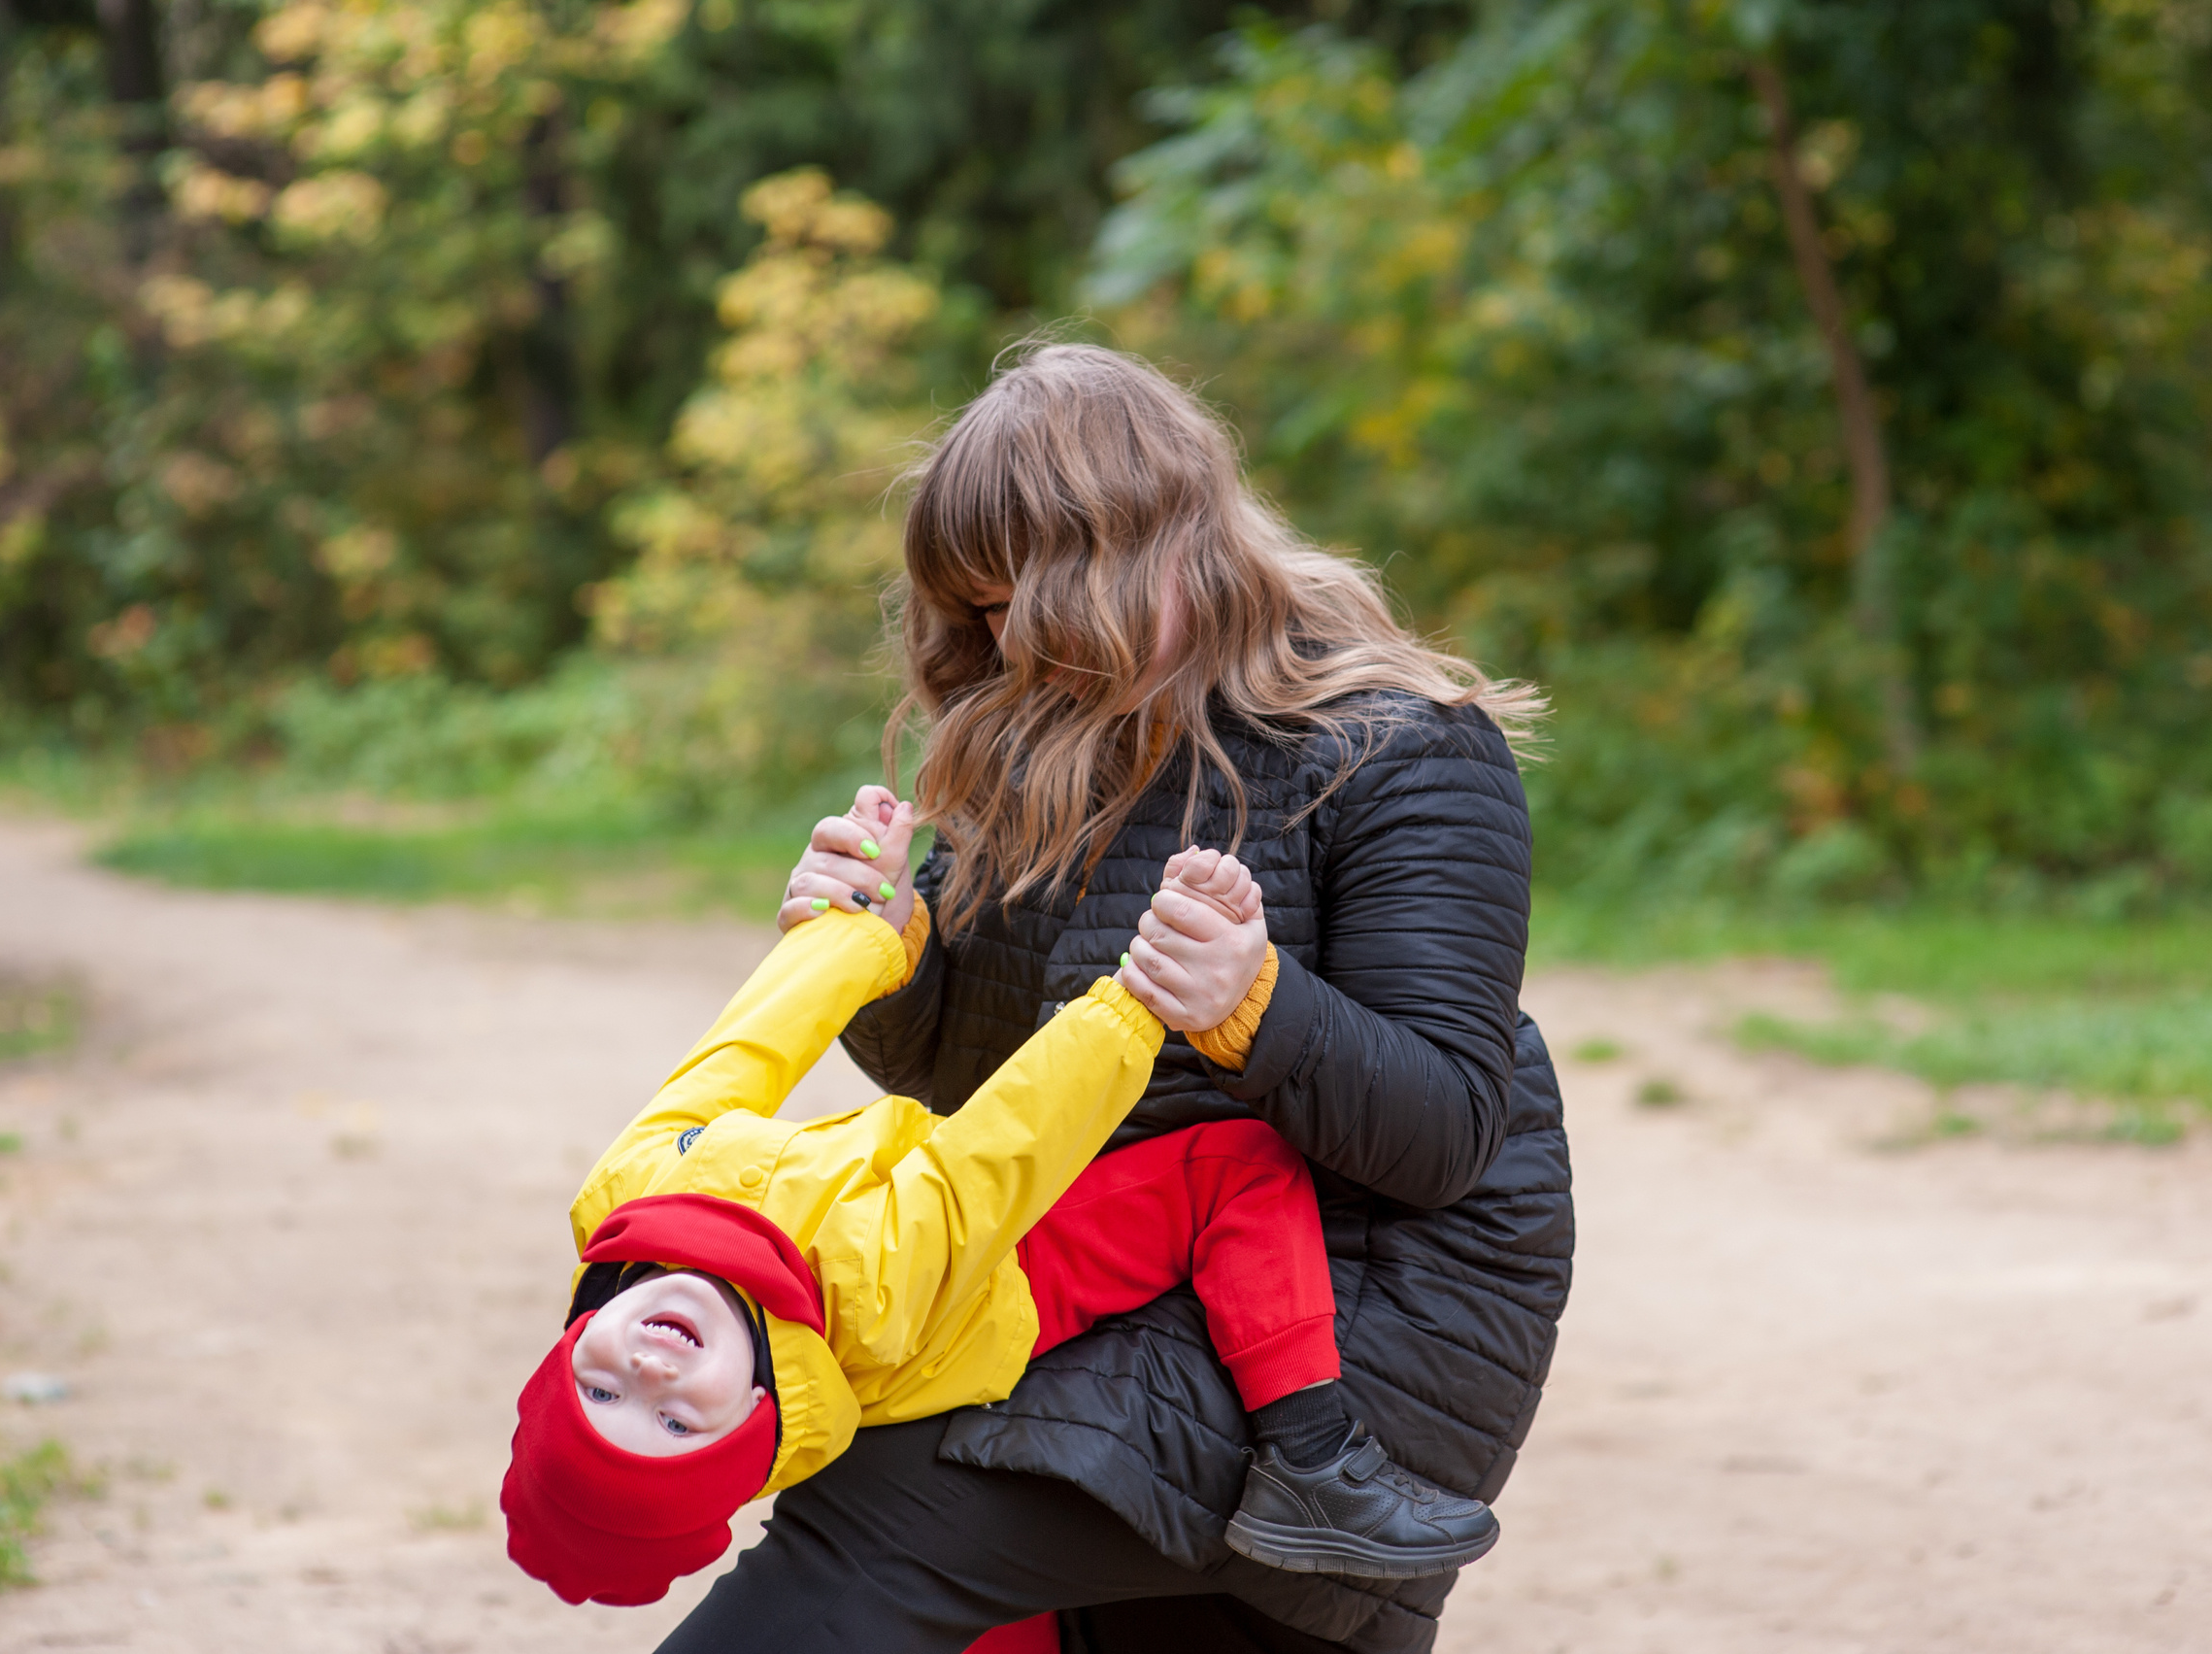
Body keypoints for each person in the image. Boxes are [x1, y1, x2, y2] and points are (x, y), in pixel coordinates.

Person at [657, 343, 1575, 1654]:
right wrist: (883, 948)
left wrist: (1256, 1004)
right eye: (974, 615)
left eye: (1026, 609)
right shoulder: (1041, 746)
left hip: (1353, 1314)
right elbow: (974, 1089)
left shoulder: (1403, 749)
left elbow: (1445, 1131)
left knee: (875, 1526)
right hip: (1100, 1274)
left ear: (1151, 552)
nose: (1003, 649)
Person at [497, 822, 1498, 1610]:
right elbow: (997, 1157)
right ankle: (1313, 1452)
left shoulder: (624, 1195)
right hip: (1000, 1273)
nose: (648, 1373)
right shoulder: (869, 1291)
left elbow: (737, 1051)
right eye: (675, 1422)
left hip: (933, 1191)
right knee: (1235, 1168)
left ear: (575, 1337)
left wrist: (856, 928)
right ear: (754, 1417)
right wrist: (1141, 993)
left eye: (598, 1388)